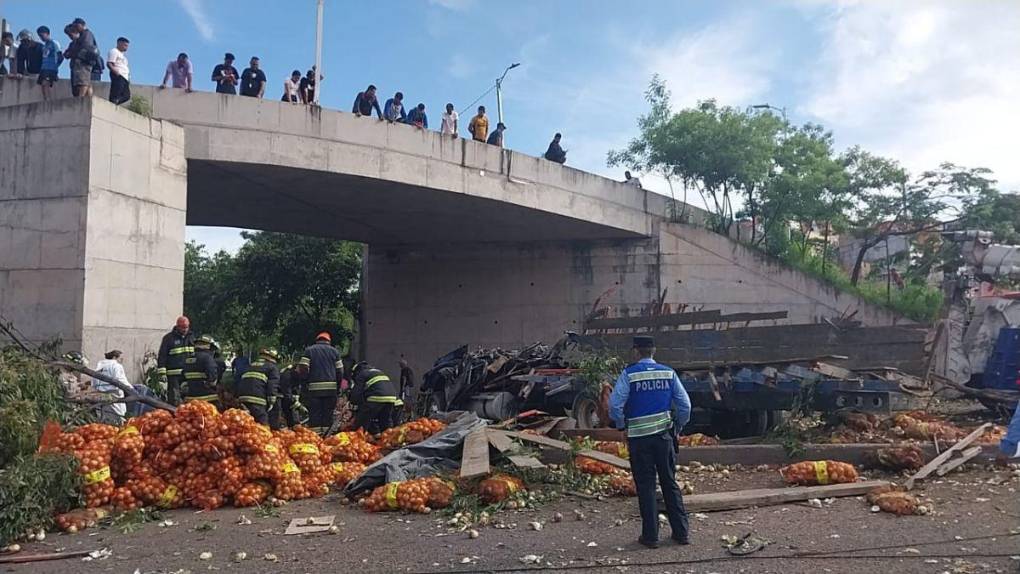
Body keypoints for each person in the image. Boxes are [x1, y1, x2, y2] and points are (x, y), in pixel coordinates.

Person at [609, 335, 691, 549]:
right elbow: (685, 406)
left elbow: (615, 405)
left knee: (646, 486)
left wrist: (621, 426)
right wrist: (677, 427)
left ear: (636, 351)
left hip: (639, 439)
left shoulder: (629, 374)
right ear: (654, 351)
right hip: (664, 437)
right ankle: (681, 533)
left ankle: (651, 537)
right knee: (669, 482)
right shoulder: (668, 372)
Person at [296, 332, 343, 435]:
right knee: (328, 414)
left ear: (317, 340)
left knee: (315, 414)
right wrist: (338, 387)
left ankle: (315, 437)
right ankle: (327, 437)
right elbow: (340, 371)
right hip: (331, 390)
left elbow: (303, 368)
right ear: (328, 341)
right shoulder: (335, 352)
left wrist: (305, 383)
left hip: (314, 390)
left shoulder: (309, 350)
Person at [350, 362, 398, 435]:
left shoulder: (362, 374)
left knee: (362, 421)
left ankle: (357, 440)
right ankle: (389, 440)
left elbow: (356, 393)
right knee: (385, 421)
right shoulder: (379, 371)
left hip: (376, 397)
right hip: (391, 398)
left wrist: (353, 403)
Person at [156, 316, 195, 405]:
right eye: (182, 327)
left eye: (186, 327)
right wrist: (162, 372)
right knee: (174, 398)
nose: (185, 330)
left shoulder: (191, 337)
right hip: (174, 375)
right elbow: (162, 356)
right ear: (177, 327)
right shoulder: (169, 338)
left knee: (189, 397)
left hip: (188, 373)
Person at [237, 348, 281, 426]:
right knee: (262, 424)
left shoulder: (250, 365)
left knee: (246, 424)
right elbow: (273, 385)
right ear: (272, 358)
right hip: (258, 399)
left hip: (242, 398)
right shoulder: (272, 367)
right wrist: (272, 401)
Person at [181, 335, 220, 407]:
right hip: (207, 398)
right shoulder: (207, 358)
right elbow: (212, 378)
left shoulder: (188, 358)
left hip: (190, 398)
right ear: (209, 346)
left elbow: (182, 377)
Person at [65, 18, 98, 98]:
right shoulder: (83, 36)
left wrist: (74, 53)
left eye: (76, 26)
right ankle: (88, 98)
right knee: (86, 82)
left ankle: (81, 98)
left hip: (83, 62)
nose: (75, 28)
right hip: (82, 62)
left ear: (80, 25)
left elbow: (85, 47)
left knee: (83, 82)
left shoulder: (86, 34)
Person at [94, 350, 128, 424]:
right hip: (114, 394)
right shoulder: (116, 366)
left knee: (103, 416)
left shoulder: (99, 365)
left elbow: (94, 381)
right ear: (114, 357)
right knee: (118, 415)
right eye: (120, 358)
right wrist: (132, 389)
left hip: (100, 395)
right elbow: (121, 380)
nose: (122, 360)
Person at [36, 26, 63, 100]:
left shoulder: (54, 43)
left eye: (42, 35)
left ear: (47, 34)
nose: (41, 38)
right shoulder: (44, 46)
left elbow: (60, 56)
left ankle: (48, 100)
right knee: (42, 85)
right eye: (40, 36)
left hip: (51, 68)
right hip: (44, 68)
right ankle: (45, 99)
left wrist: (55, 67)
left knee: (46, 83)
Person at [106, 37, 130, 106]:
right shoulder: (114, 51)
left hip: (125, 77)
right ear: (119, 43)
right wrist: (115, 72)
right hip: (118, 75)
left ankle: (115, 103)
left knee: (126, 95)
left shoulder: (123, 56)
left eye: (127, 46)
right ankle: (112, 104)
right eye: (125, 45)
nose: (126, 48)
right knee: (116, 92)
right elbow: (109, 63)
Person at [395, 359, 415, 426]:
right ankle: (409, 416)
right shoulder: (409, 369)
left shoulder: (405, 370)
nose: (400, 366)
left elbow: (404, 379)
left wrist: (402, 389)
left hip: (406, 388)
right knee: (408, 401)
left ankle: (405, 417)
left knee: (405, 402)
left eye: (400, 365)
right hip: (409, 387)